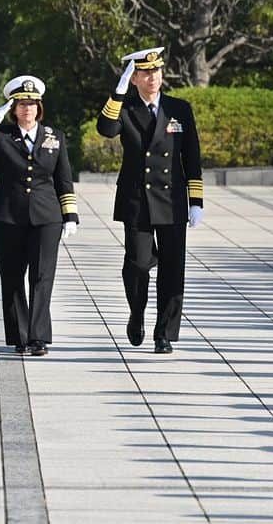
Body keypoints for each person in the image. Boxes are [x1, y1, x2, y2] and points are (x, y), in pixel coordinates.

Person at [96, 47, 204, 354]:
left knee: (172, 268)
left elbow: (191, 155)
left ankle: (164, 333)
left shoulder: (179, 108)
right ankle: (137, 312)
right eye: (145, 73)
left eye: (156, 72)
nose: (152, 78)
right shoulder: (126, 108)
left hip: (171, 200)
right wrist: (117, 93)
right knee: (138, 264)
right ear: (134, 79)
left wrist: (195, 200)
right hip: (137, 200)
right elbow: (106, 129)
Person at [0, 75, 78, 356]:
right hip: (8, 217)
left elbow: (64, 178)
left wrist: (70, 214)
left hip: (45, 217)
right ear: (13, 109)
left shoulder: (54, 137)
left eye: (32, 103)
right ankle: (19, 335)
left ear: (39, 107)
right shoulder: (1, 137)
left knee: (42, 277)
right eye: (21, 104)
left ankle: (38, 337)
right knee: (12, 279)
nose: (28, 108)